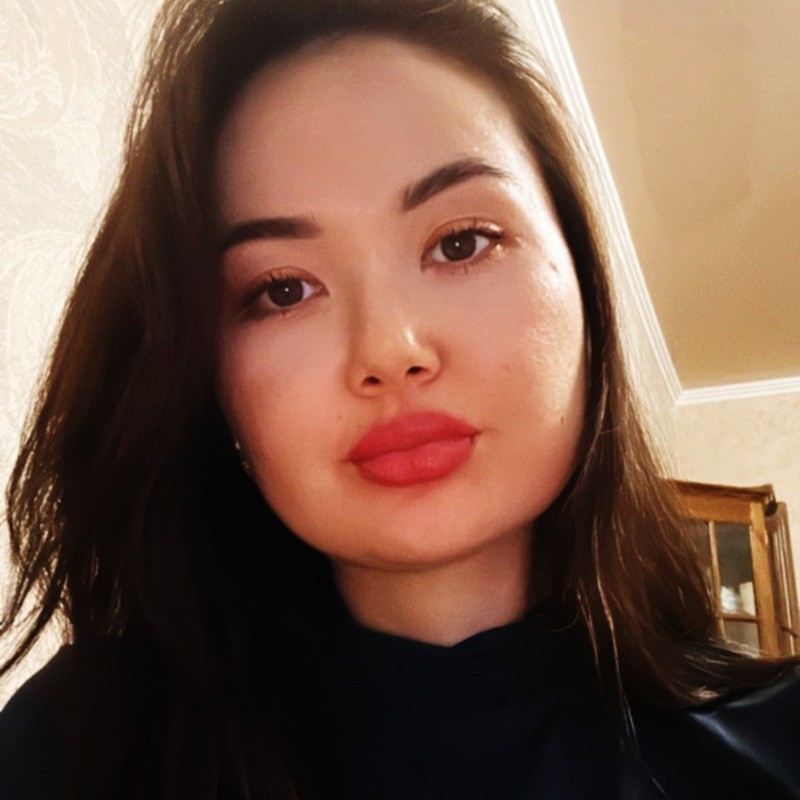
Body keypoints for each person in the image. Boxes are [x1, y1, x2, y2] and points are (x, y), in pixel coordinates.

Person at [1, 0, 798, 798]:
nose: (388, 350)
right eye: (283, 290)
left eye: (461, 243)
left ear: (584, 284)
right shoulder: (75, 748)